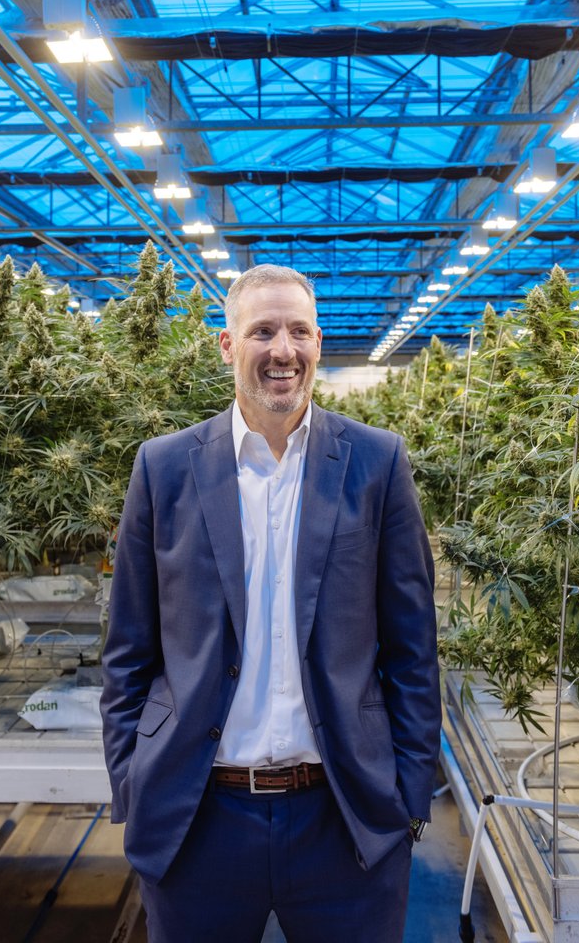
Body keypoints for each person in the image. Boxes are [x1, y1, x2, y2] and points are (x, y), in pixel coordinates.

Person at [101, 264, 441, 942]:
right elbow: (129, 650)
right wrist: (134, 780)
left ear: (318, 343)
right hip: (199, 819)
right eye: (262, 331)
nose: (281, 349)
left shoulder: (376, 463)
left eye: (298, 331)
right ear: (227, 346)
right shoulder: (164, 468)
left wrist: (407, 795)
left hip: (342, 818)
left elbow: (413, 649)